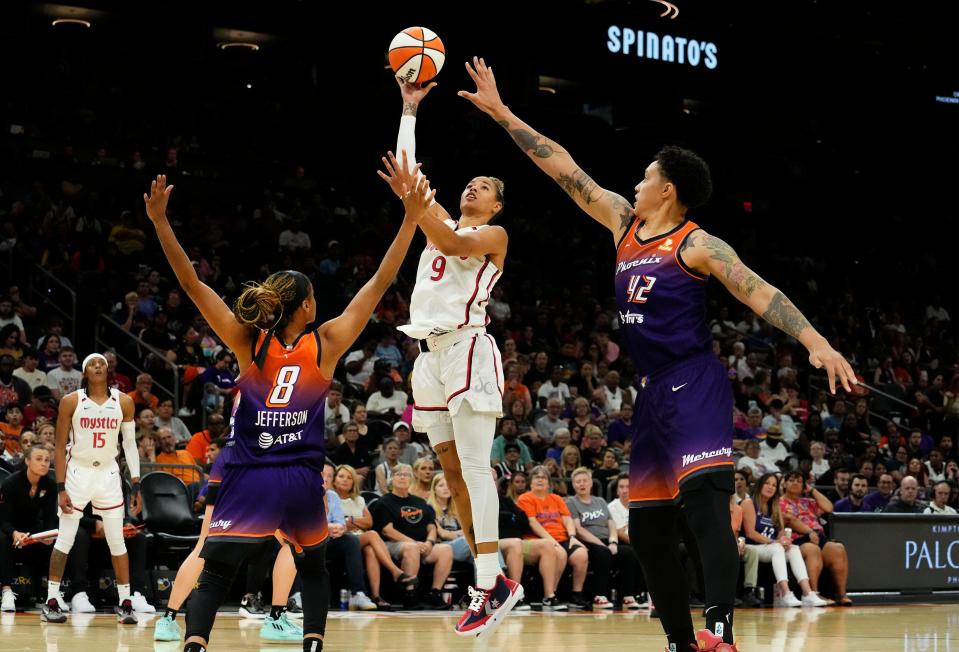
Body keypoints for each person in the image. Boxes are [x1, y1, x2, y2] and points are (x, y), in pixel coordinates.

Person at [458, 55, 857, 651]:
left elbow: (757, 289)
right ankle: (679, 639)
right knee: (646, 531)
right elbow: (564, 168)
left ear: (667, 189)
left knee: (704, 506)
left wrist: (815, 341)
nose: (635, 183)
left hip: (693, 382)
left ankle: (719, 627)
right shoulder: (622, 223)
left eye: (645, 176)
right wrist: (502, 112)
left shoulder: (696, 243)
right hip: (650, 395)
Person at [143, 172, 422, 652]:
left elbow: (191, 283)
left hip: (249, 473)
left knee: (216, 572)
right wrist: (411, 219)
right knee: (313, 567)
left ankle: (194, 645)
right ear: (307, 304)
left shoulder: (248, 340)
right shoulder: (327, 342)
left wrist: (160, 222)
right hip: (299, 477)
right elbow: (379, 283)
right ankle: (312, 643)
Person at [383, 78, 522, 637]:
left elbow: (449, 241)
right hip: (427, 356)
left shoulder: (493, 235)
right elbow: (412, 178)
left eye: (483, 185)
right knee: (450, 475)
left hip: (468, 350)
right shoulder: (437, 219)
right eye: (469, 182)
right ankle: (495, 581)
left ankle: (488, 582)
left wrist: (416, 207)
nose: (472, 188)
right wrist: (409, 109)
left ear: (497, 204)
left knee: (473, 467)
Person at [42, 353, 141, 624]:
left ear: (109, 371)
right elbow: (60, 447)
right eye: (92, 364)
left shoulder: (125, 402)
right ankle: (51, 599)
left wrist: (136, 482)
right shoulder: (71, 401)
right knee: (65, 538)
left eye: (102, 364)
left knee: (116, 540)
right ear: (84, 372)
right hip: (78, 472)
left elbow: (130, 445)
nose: (98, 366)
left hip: (108, 473)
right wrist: (61, 487)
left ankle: (126, 602)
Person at [332, 464, 418, 610]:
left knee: (371, 550)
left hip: (359, 539)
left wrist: (351, 521)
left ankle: (376, 597)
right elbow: (341, 524)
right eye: (341, 476)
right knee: (372, 535)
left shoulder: (358, 500)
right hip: (341, 539)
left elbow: (369, 522)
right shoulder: (330, 498)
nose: (345, 480)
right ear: (334, 480)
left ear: (354, 482)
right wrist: (354, 522)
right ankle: (395, 572)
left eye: (349, 478)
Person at [369, 463, 454, 609]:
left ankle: (434, 593)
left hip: (421, 545)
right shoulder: (383, 502)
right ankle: (410, 594)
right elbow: (387, 531)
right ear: (391, 479)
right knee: (411, 548)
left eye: (406, 474)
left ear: (411, 479)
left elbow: (431, 526)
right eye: (399, 474)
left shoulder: (419, 502)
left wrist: (429, 542)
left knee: (445, 549)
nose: (403, 477)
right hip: (392, 545)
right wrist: (415, 542)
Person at [740, 473, 827, 607]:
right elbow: (751, 533)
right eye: (767, 483)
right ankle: (786, 594)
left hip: (769, 547)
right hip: (752, 546)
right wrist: (775, 542)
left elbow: (780, 531)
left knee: (793, 548)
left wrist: (784, 540)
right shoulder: (749, 503)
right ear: (760, 485)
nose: (770, 487)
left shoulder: (774, 506)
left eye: (774, 485)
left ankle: (807, 593)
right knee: (777, 548)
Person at [516, 465, 590, 610]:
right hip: (538, 539)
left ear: (549, 482)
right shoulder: (525, 498)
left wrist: (572, 536)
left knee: (581, 554)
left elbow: (567, 519)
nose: (540, 480)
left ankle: (575, 594)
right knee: (560, 553)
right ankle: (549, 596)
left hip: (562, 538)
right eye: (536, 477)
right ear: (530, 482)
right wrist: (551, 540)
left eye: (543, 477)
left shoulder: (556, 498)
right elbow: (532, 523)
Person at [779, 471, 851, 606]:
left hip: (818, 536)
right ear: (784, 483)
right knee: (812, 549)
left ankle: (841, 595)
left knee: (837, 548)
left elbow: (829, 508)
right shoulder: (779, 502)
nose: (795, 483)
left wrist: (812, 490)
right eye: (791, 480)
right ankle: (813, 594)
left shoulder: (809, 502)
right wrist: (810, 532)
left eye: (799, 481)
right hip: (796, 539)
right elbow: (789, 520)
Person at [606, 473, 648, 608]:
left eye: (628, 487)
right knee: (635, 553)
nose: (625, 490)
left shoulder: (640, 504)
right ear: (617, 490)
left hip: (640, 541)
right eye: (621, 487)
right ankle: (630, 595)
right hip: (623, 543)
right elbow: (619, 532)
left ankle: (646, 595)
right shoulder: (612, 507)